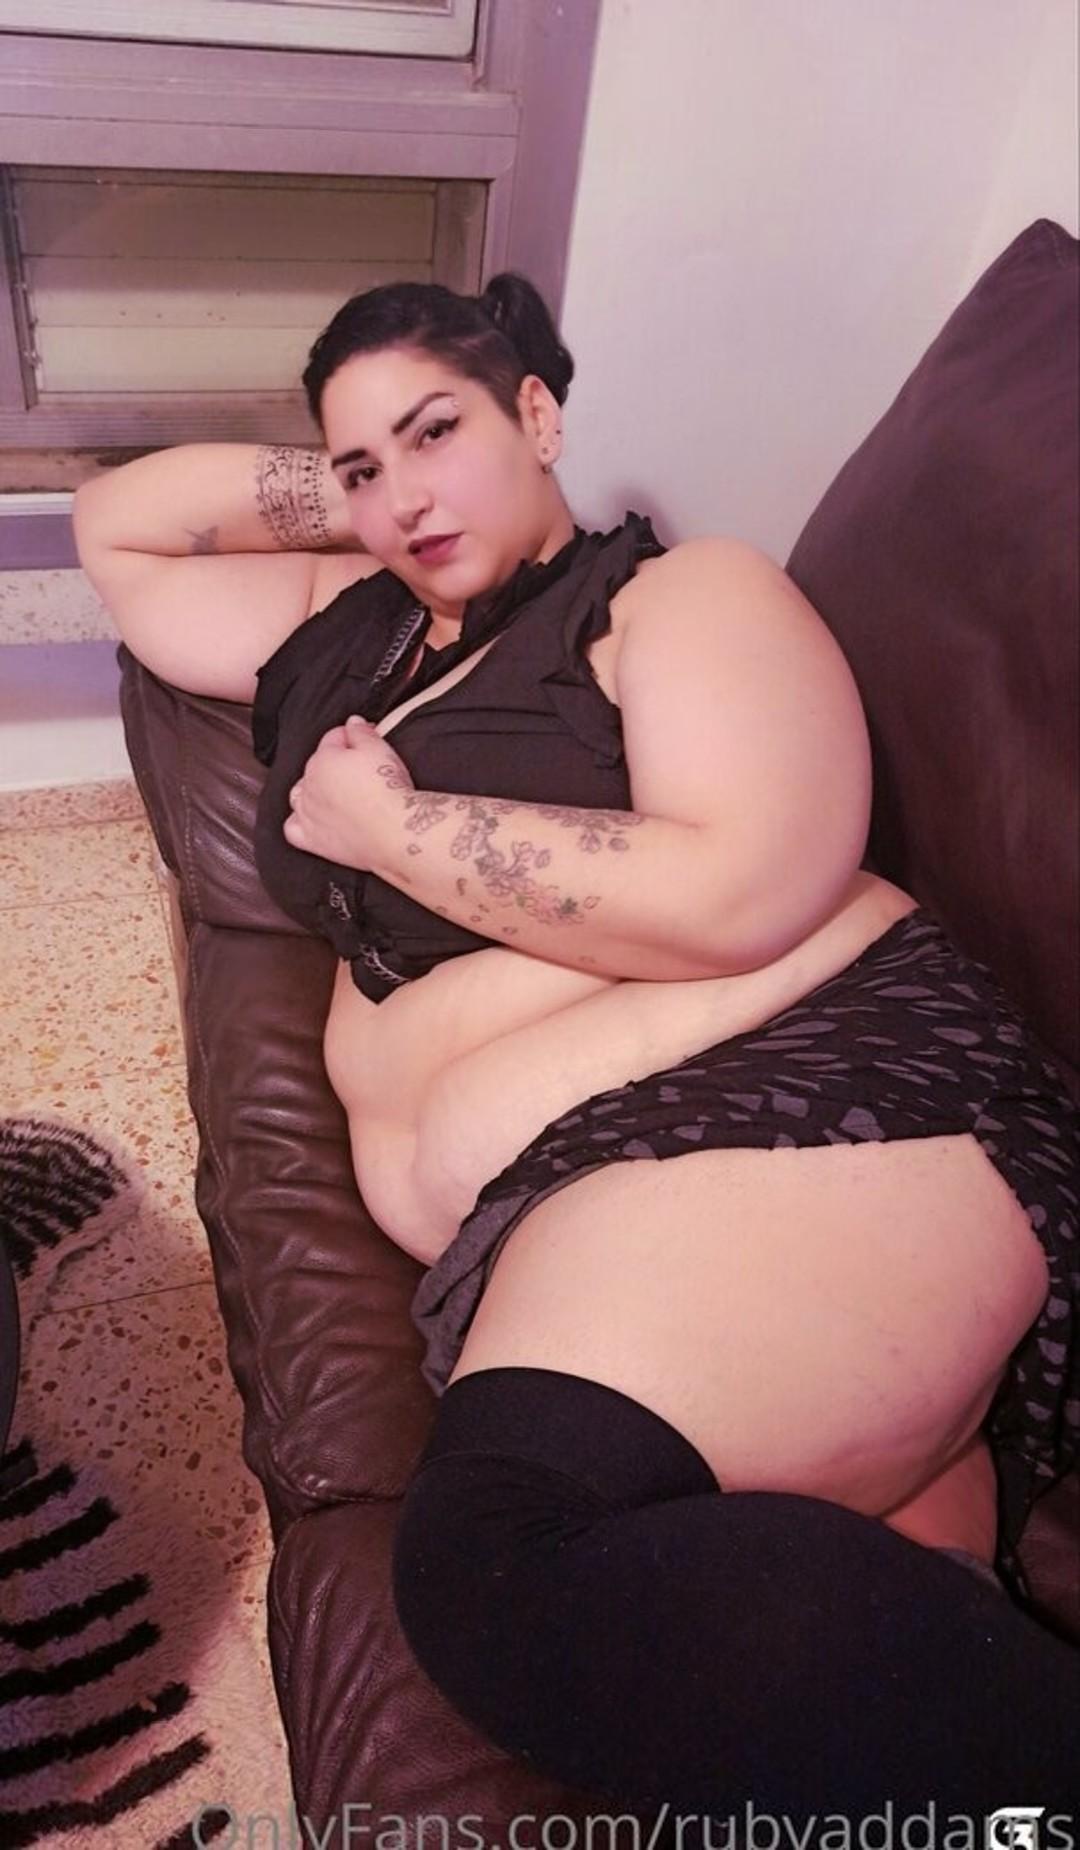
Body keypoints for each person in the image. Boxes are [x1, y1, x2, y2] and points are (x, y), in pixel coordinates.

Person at [74, 275, 1079, 1819]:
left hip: (806, 1095)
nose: (407, 492)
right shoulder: (339, 631)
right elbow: (121, 533)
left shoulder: (673, 600)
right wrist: (371, 491)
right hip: (597, 1199)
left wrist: (401, 832)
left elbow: (751, 879)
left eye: (444, 430)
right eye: (364, 465)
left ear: (539, 415)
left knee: (498, 1560)